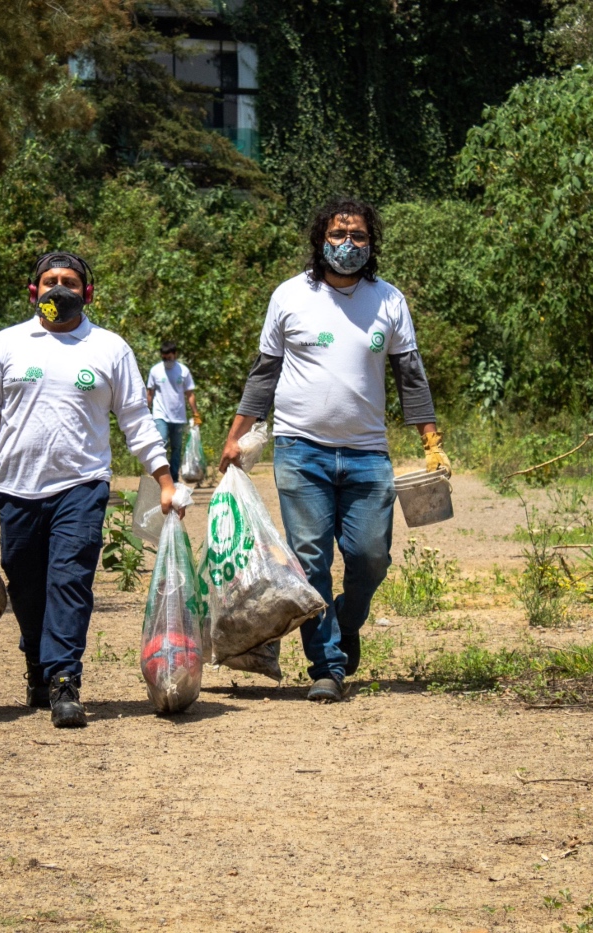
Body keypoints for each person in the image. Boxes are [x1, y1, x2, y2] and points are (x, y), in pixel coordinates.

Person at [219, 197, 450, 703]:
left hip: (368, 454)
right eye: (339, 234)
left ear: (372, 244)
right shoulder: (289, 297)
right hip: (302, 452)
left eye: (359, 237)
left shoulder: (388, 300)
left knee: (370, 557)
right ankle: (327, 665)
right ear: (320, 239)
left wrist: (431, 443)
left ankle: (347, 621)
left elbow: (411, 378)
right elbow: (264, 373)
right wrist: (237, 435)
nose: (348, 244)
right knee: (310, 559)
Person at [0, 251, 181, 728]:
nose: (60, 289)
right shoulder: (6, 345)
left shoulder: (109, 348)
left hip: (82, 485)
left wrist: (165, 480)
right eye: (50, 281)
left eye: (70, 282)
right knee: (27, 586)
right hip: (16, 490)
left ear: (86, 292)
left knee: (70, 580)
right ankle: (36, 662)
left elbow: (136, 420)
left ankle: (63, 681)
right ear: (34, 292)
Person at [145, 340, 201, 480]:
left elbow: (190, 394)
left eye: (169, 358)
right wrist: (145, 411)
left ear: (175, 355)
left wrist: (195, 413)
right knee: (161, 443)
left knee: (176, 448)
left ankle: (174, 478)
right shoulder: (155, 371)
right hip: (160, 414)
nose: (166, 361)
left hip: (178, 416)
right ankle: (160, 477)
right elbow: (150, 393)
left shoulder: (183, 371)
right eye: (164, 358)